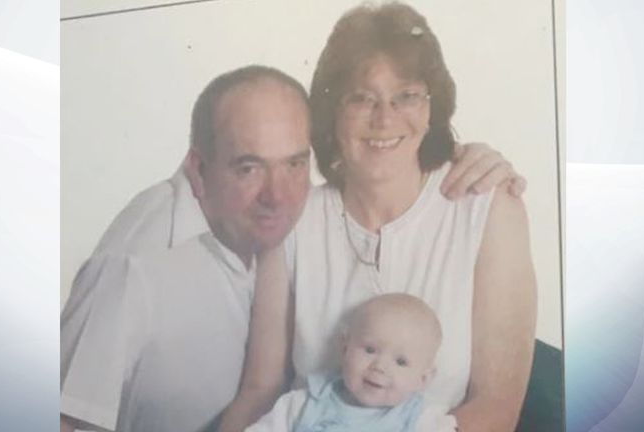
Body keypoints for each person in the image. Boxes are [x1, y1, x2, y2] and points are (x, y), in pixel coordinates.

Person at [60, 65, 520, 432]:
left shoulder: (280, 235)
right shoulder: (136, 259)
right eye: (248, 168)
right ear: (198, 169)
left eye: (295, 164)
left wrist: (457, 153)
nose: (277, 195)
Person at [225, 3, 538, 432]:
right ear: (331, 112)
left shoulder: (486, 207)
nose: (384, 118)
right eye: (361, 97)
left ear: (433, 107)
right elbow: (259, 392)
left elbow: (497, 410)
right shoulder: (293, 220)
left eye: (406, 95)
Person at [246, 294, 458, 432]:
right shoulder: (307, 401)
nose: (380, 366)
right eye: (370, 350)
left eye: (401, 362)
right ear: (344, 347)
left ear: (423, 379)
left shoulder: (421, 419)